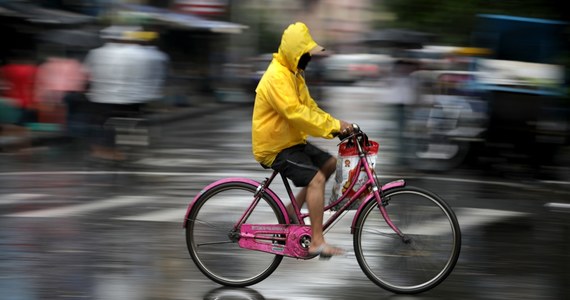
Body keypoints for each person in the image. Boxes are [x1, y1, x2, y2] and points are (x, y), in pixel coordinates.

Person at [251, 22, 353, 259]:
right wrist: (334, 127)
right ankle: (317, 241)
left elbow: (310, 108)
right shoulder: (277, 77)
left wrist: (337, 125)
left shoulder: (294, 74)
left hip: (290, 141)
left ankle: (292, 211)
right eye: (306, 54)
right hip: (274, 146)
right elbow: (296, 113)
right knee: (316, 180)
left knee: (330, 164)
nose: (309, 58)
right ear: (294, 53)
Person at [83, 26, 169, 161]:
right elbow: (149, 76)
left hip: (102, 97)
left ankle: (102, 149)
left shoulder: (95, 53)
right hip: (133, 98)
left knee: (101, 123)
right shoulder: (141, 54)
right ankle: (128, 149)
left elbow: (87, 73)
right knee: (131, 122)